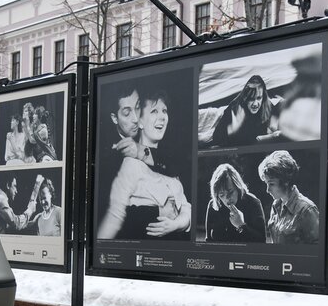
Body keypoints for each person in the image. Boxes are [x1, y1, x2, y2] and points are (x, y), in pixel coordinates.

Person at [98, 89, 191, 240]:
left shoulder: (168, 164)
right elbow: (113, 219)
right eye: (154, 111)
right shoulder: (129, 164)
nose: (162, 117)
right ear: (140, 122)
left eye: (164, 111)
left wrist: (176, 224)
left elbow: (186, 208)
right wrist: (159, 213)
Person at [258, 150, 319, 245]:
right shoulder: (276, 206)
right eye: (266, 183)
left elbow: (317, 252)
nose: (268, 190)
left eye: (271, 184)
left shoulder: (307, 210)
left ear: (285, 181)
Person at [210, 74, 280, 147]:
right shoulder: (235, 108)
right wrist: (231, 129)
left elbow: (277, 107)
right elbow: (216, 138)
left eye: (259, 98)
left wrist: (274, 123)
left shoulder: (267, 105)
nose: (255, 104)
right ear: (245, 98)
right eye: (251, 99)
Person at [204, 163, 267, 242]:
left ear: (238, 187)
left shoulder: (253, 203)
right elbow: (208, 240)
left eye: (230, 192)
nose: (227, 198)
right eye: (221, 195)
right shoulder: (213, 205)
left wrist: (241, 225)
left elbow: (262, 241)